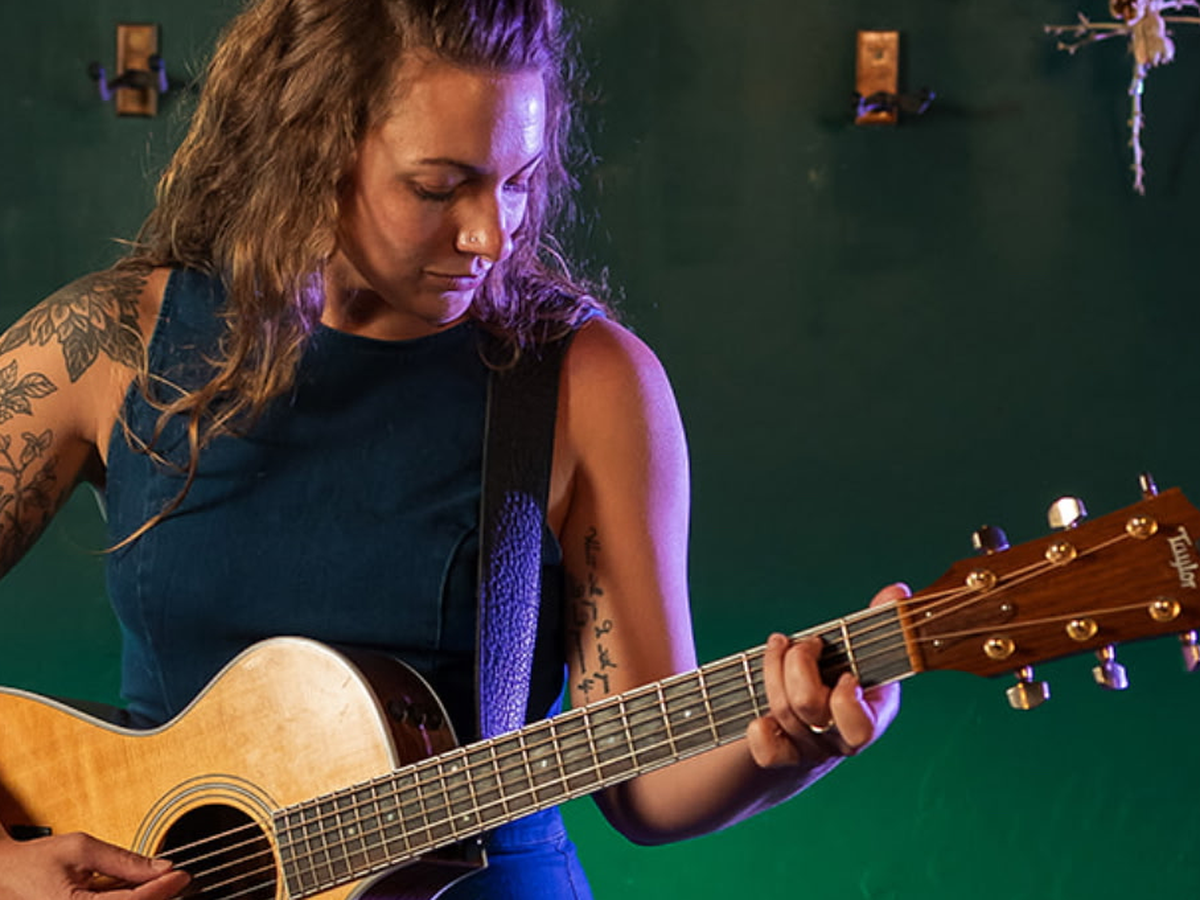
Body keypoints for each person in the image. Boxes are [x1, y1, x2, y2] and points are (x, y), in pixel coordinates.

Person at [0, 0, 905, 897]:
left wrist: (797, 744)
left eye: (518, 181)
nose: (491, 235)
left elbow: (647, 788)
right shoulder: (112, 345)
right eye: (438, 187)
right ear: (307, 152)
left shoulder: (588, 384)